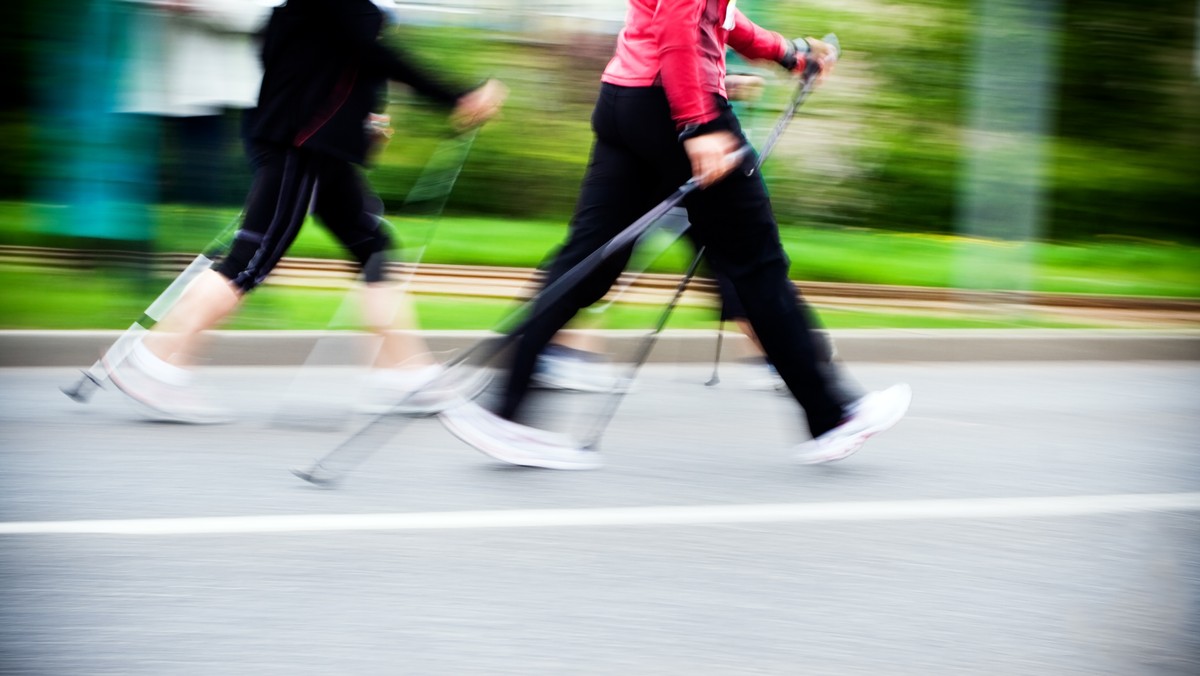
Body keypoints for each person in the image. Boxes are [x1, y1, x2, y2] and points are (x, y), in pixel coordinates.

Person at [440, 1, 911, 469]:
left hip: (626, 100)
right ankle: (834, 416)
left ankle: (504, 413)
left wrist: (787, 52)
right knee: (757, 267)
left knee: (587, 262)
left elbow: (715, 15)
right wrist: (698, 124)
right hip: (676, 107)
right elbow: (680, 21)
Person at [105, 0, 507, 422]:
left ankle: (402, 373)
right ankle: (158, 362)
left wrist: (364, 118)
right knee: (250, 261)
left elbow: (332, 55)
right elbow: (373, 53)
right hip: (303, 147)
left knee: (372, 245)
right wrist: (459, 96)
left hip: (311, 146)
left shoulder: (303, 9)